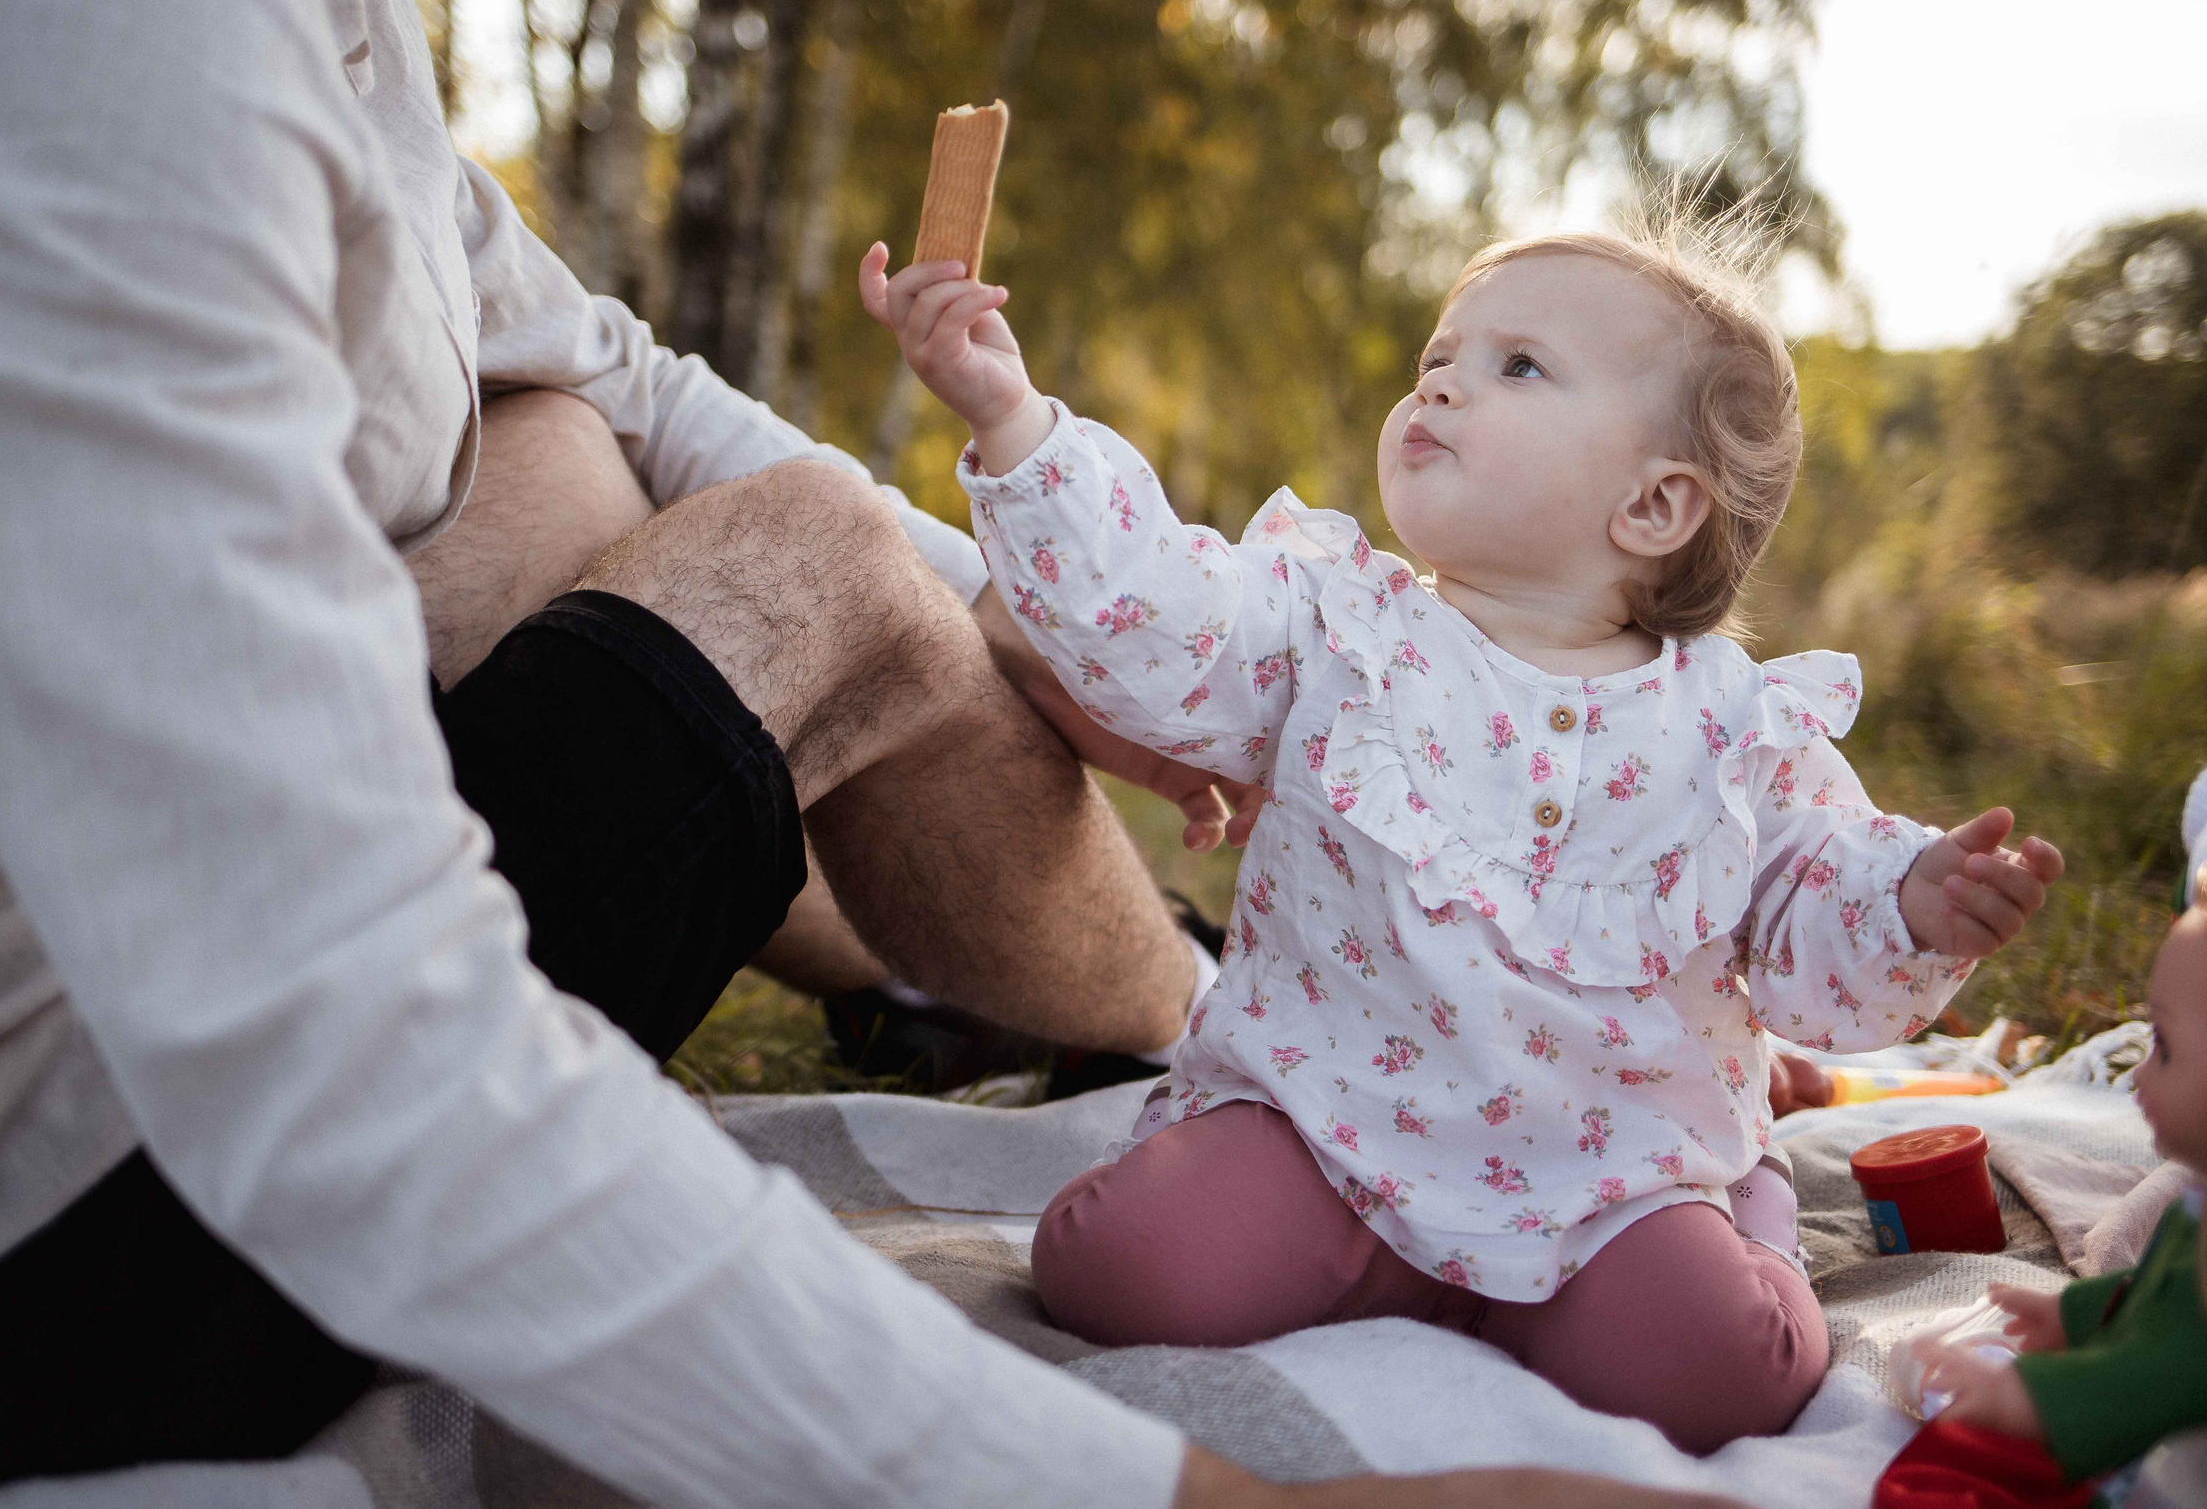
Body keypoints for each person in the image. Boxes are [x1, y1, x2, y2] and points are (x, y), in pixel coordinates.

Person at [0, 0, 1735, 1504]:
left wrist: (1028, 618)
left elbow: (614, 372)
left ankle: (1194, 1012)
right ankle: (1191, 1019)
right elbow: (335, 1051)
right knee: (772, 542)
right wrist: (1202, 1498)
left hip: (100, 1055)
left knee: (576, 444)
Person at [858, 225, 2067, 1455]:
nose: (1438, 383)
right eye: (1441, 356)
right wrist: (1013, 420)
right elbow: (1155, 616)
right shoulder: (1334, 627)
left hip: (1609, 1180)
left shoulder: (1733, 733)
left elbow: (1814, 945)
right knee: (1119, 1273)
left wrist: (1912, 902)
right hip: (1330, 1127)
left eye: (1518, 367)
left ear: (1652, 504)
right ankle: (1348, 1249)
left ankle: (1736, 1208)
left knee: (1720, 1374)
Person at [1897, 752, 2207, 1496]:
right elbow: (2158, 1293)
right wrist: (2070, 1312)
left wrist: (2017, 1396)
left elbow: (2170, 1367)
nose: (2136, 1074)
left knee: (1943, 1472)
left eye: (2163, 1046)